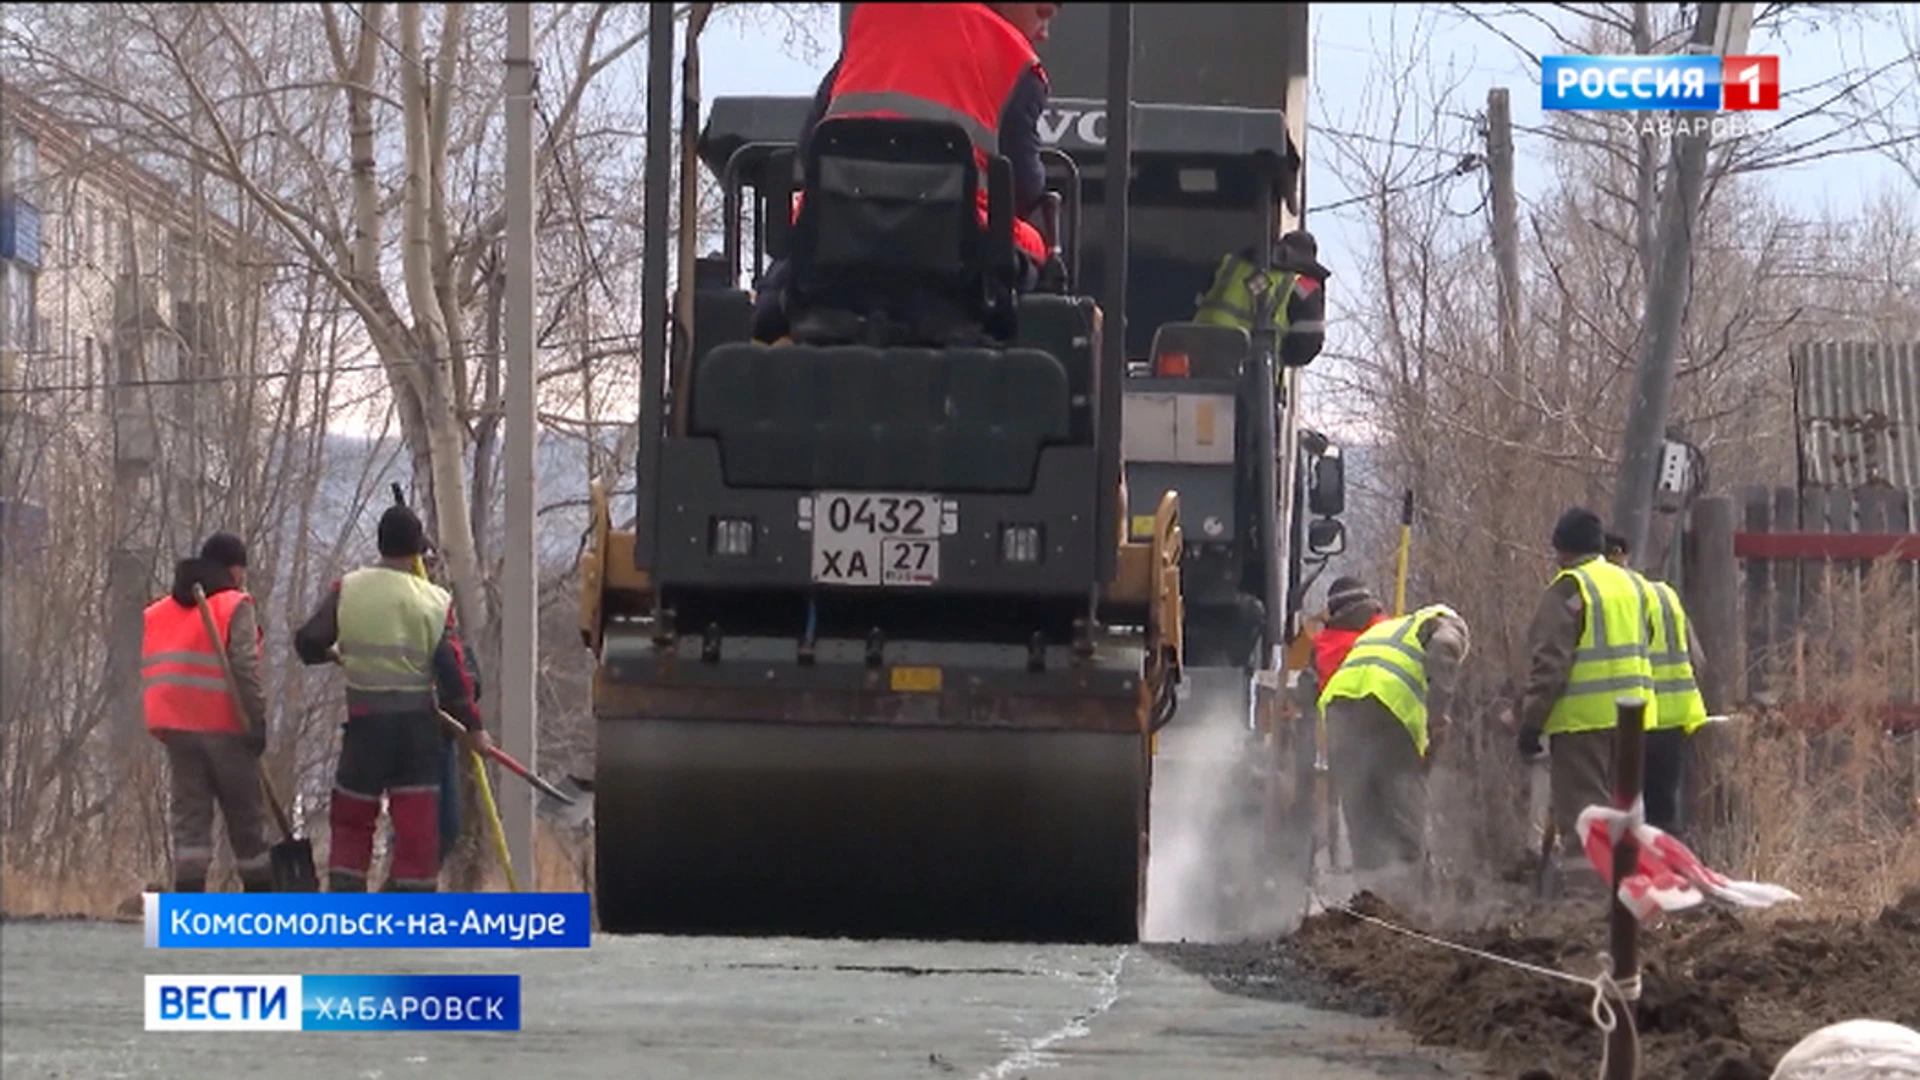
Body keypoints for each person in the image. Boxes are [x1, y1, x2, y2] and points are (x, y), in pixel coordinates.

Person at [751, 2, 1063, 343]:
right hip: (963, 267)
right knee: (1039, 257)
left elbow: (810, 148)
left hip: (835, 246)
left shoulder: (872, 21)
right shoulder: (1017, 61)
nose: (1045, 32)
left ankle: (774, 338)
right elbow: (1024, 188)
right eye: (1044, 11)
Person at [293, 505, 488, 892]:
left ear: (380, 543)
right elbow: (454, 676)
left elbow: (307, 642)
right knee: (417, 831)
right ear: (417, 550)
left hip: (365, 727)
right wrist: (475, 727)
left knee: (352, 820)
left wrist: (334, 654)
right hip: (417, 735)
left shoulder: (348, 588)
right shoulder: (434, 601)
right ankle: (407, 916)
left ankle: (347, 909)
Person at [1515, 507, 1659, 859]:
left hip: (1584, 723)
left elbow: (1550, 661)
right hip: (1636, 720)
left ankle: (1587, 906)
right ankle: (1626, 902)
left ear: (1563, 549)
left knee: (1586, 819)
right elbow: (1649, 637)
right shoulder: (1633, 584)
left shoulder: (1570, 588)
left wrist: (1531, 722)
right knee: (1626, 818)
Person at [140, 532, 273, 893]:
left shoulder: (160, 611)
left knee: (190, 817)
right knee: (245, 816)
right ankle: (261, 899)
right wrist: (257, 720)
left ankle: (189, 897)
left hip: (177, 726)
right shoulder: (234, 604)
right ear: (233, 569)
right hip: (226, 725)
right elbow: (244, 667)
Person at [1316, 600, 1471, 892]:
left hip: (1338, 708)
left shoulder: (1386, 630)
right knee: (1403, 810)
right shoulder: (1445, 622)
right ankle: (1410, 902)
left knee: (1362, 810)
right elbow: (1445, 646)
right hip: (1385, 704)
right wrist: (1438, 716)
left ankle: (1370, 900)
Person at [1604, 532, 1710, 836]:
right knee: (1663, 813)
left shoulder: (1612, 598)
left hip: (1630, 721)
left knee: (1626, 817)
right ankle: (1668, 878)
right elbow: (1698, 661)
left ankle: (1630, 880)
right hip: (1675, 719)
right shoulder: (1665, 594)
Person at [1194, 223, 1330, 370]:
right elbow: (1307, 344)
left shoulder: (1230, 264)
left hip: (1198, 355)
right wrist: (1282, 356)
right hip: (1254, 372)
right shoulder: (1304, 285)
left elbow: (1195, 300)